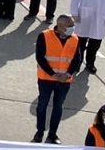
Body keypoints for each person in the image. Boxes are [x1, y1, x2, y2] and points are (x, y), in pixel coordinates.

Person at [33, 14, 83, 143]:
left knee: (58, 106)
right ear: (60, 25)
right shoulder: (44, 36)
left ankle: (52, 133)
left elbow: (77, 59)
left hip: (64, 80)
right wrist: (52, 74)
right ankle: (39, 132)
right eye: (70, 25)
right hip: (46, 79)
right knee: (42, 105)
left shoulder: (75, 39)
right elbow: (40, 57)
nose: (73, 28)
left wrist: (68, 74)